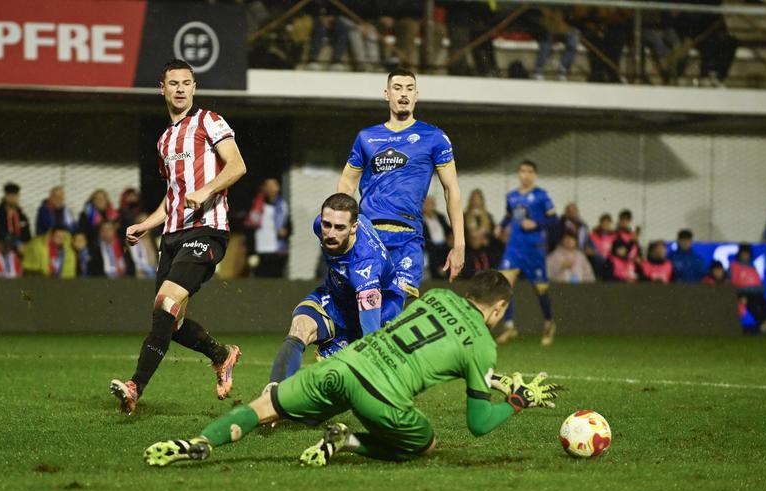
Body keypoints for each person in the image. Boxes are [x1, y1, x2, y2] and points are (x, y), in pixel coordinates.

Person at [142, 270, 562, 468]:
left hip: (345, 363)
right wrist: (517, 400)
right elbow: (478, 423)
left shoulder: (436, 297)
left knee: (265, 404)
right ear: (500, 307)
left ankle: (199, 442)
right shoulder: (483, 345)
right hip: (381, 395)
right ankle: (351, 443)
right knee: (426, 445)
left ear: (468, 292)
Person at [111, 59, 247, 415]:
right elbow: (173, 195)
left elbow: (237, 166)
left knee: (166, 304)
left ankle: (134, 387)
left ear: (194, 87)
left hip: (207, 230)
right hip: (170, 237)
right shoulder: (165, 140)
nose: (181, 89)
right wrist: (146, 224)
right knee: (170, 322)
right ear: (163, 88)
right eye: (174, 83)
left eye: (187, 82)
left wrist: (205, 191)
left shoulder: (210, 121)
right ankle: (221, 354)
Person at [337, 69, 465, 298]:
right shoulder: (366, 137)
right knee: (367, 306)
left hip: (408, 237)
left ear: (417, 95)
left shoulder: (434, 137)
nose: (404, 94)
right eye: (397, 88)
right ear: (387, 94)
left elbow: (451, 189)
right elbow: (347, 181)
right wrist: (343, 223)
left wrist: (459, 244)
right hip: (369, 235)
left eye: (409, 89)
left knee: (395, 306)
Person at [267, 193, 405, 386]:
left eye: (340, 228)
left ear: (353, 227)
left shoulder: (365, 269)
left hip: (378, 311)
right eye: (327, 224)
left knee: (352, 373)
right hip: (336, 296)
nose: (330, 233)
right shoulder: (320, 225)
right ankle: (275, 393)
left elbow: (371, 335)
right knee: (300, 327)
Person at [494, 160, 558, 346]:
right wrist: (501, 226)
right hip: (514, 248)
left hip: (534, 249)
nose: (526, 175)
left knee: (540, 289)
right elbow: (511, 215)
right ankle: (509, 326)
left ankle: (549, 323)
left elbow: (554, 220)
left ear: (534, 174)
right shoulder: (512, 196)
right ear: (518, 173)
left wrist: (537, 224)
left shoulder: (541, 196)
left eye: (529, 171)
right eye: (523, 171)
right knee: (504, 285)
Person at [245, 178, 291, 278]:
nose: (271, 189)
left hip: (277, 250)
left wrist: (285, 232)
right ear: (264, 188)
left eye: (274, 186)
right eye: (268, 186)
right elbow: (249, 227)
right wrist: (251, 250)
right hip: (260, 249)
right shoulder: (256, 205)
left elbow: (289, 226)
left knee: (276, 280)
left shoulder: (283, 206)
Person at [731, 244, 766, 335]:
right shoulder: (734, 267)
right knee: (753, 302)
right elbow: (732, 285)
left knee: (763, 301)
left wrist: (750, 289)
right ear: (739, 254)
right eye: (743, 253)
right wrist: (744, 292)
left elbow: (761, 286)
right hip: (741, 295)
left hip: (755, 294)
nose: (745, 256)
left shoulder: (752, 268)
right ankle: (763, 325)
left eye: (747, 253)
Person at [0, 182, 31, 249]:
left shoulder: (22, 216)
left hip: (22, 249)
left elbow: (27, 236)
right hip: (3, 248)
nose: (13, 198)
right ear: (5, 196)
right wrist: (16, 244)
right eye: (10, 195)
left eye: (15, 195)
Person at [422, 196, 451, 280]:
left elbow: (448, 230)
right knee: (432, 253)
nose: (429, 206)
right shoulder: (420, 219)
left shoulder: (440, 217)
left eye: (431, 204)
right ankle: (437, 272)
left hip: (444, 245)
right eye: (426, 204)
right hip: (430, 246)